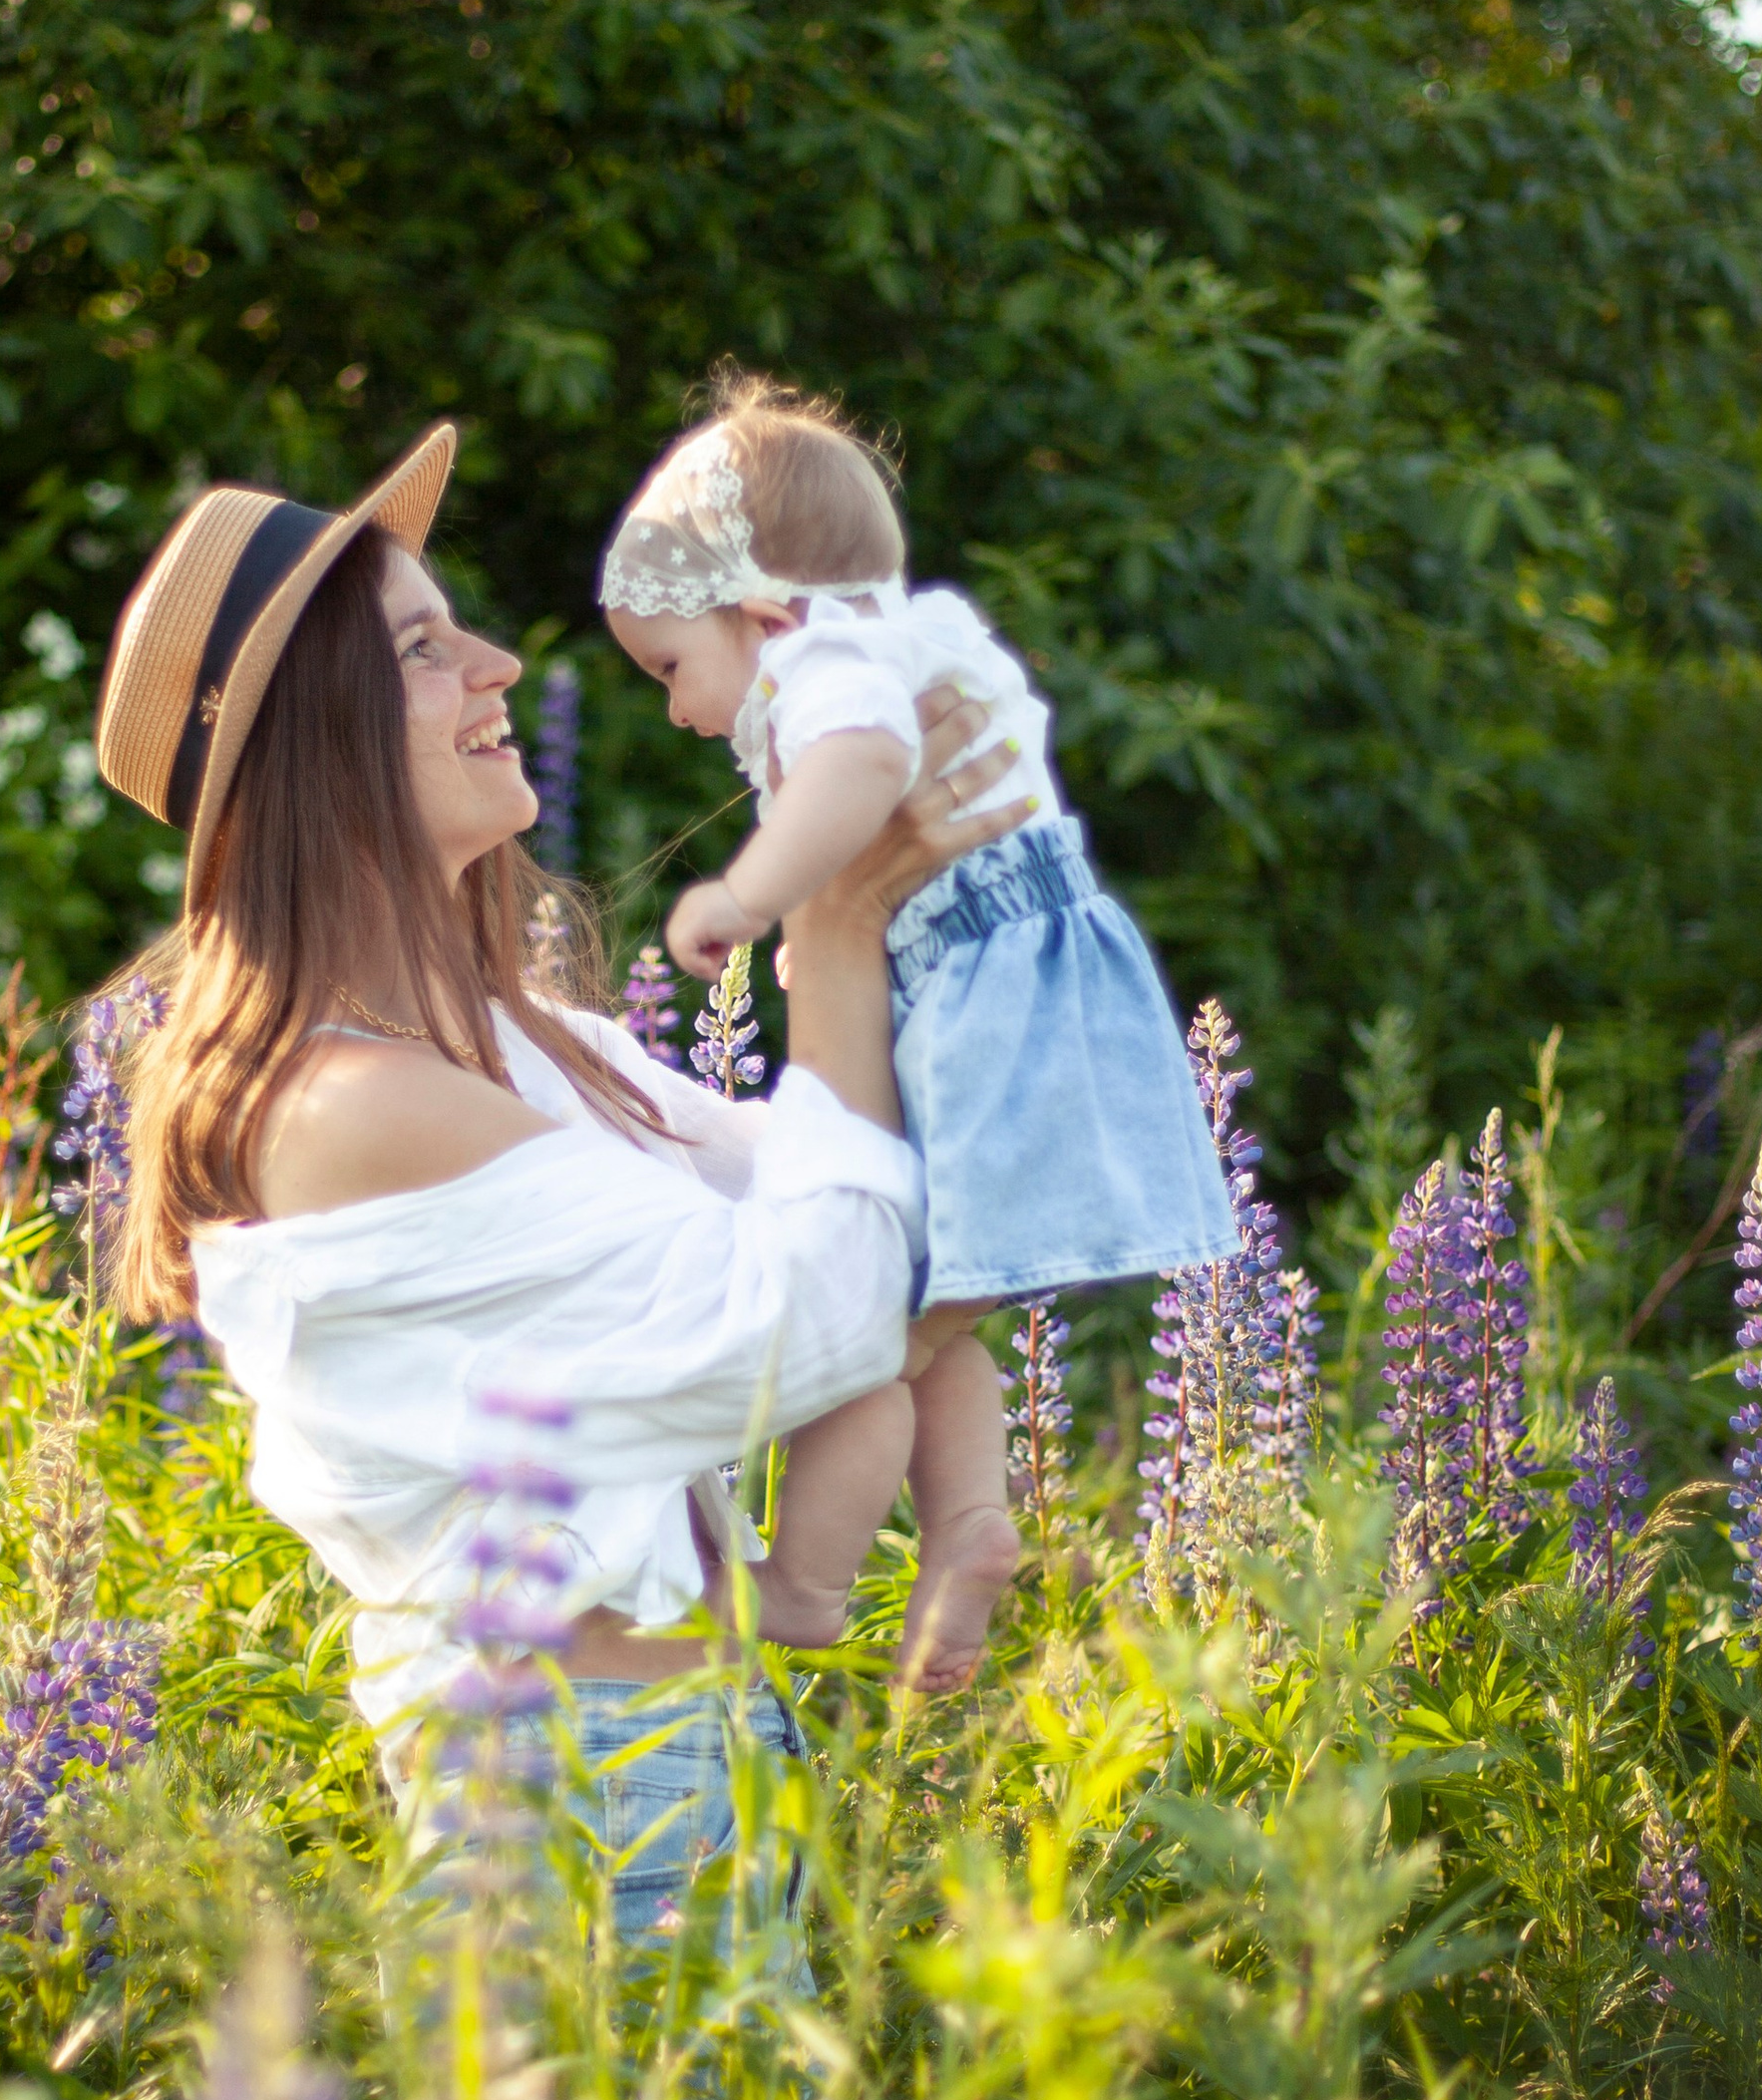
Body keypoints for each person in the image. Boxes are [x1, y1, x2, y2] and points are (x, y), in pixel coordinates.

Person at [92, 419, 1022, 1950]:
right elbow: (812, 1313)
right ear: (314, 743)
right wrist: (836, 944)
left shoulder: (541, 1052)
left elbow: (902, 1237)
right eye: (421, 650)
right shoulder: (344, 1110)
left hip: (688, 1761)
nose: (498, 669)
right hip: (575, 1800)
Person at [600, 370, 1236, 1689]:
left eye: (674, 667)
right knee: (938, 1316)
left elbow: (864, 771)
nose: (676, 710)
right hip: (1001, 998)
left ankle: (802, 1582)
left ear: (765, 608)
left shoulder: (838, 664)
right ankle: (969, 1526)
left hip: (985, 1015)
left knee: (857, 1334)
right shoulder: (905, 642)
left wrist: (752, 889)